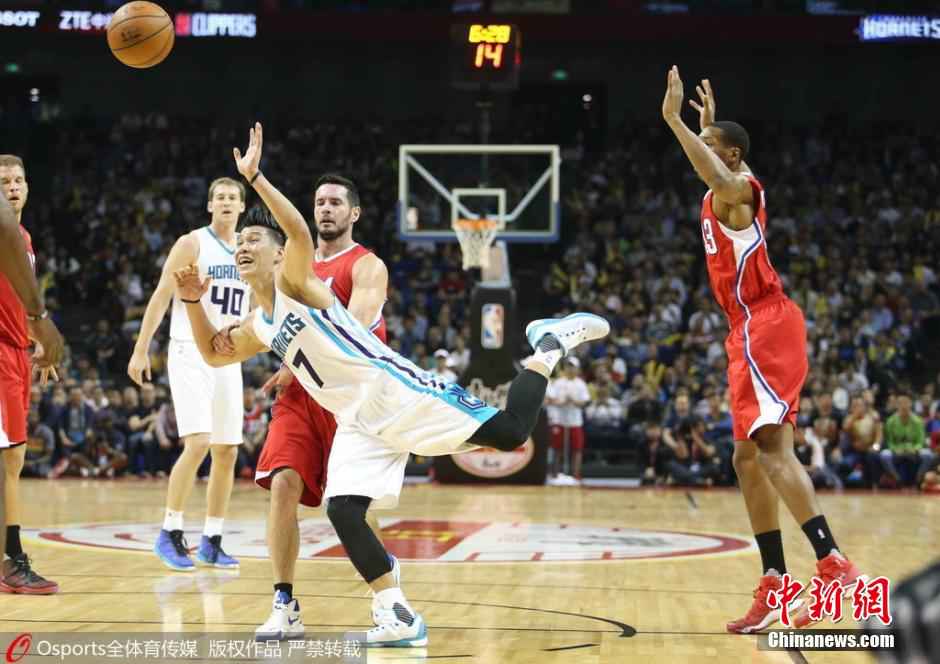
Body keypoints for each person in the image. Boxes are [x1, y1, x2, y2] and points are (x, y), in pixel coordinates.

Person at [175, 122, 610, 646]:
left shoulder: (296, 283)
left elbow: (299, 234)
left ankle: (548, 347)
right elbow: (214, 354)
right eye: (238, 242)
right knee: (343, 511)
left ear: (277, 255)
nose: (241, 247)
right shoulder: (259, 323)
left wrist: (257, 178)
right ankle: (397, 614)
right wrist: (195, 302)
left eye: (252, 240)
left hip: (397, 392)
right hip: (357, 419)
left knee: (513, 433)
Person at [662, 70, 863, 632]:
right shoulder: (719, 189)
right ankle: (775, 580)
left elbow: (722, 176)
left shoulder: (740, 195)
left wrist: (676, 123)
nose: (700, 155)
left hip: (764, 323)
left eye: (710, 148)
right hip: (747, 329)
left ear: (731, 154)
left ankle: (832, 561)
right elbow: (713, 168)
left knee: (773, 453)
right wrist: (706, 129)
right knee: (746, 458)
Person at [244, 173, 393, 640]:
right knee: (282, 484)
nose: (325, 208)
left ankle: (386, 594)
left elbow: (360, 329)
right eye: (319, 202)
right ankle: (283, 602)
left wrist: (303, 356)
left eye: (334, 203)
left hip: (351, 398)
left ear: (354, 214)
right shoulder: (286, 264)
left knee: (353, 509)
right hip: (300, 396)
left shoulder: (366, 265)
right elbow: (266, 319)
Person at [127, 177, 249, 571]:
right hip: (189, 350)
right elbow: (162, 294)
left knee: (227, 451)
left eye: (233, 197)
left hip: (229, 354)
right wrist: (141, 348)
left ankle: (212, 539)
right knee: (197, 443)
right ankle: (169, 532)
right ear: (209, 205)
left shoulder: (248, 250)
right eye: (220, 197)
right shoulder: (192, 243)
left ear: (243, 207)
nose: (226, 202)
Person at [0, 157, 65, 594]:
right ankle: (11, 559)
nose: (12, 186)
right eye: (3, 180)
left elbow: (15, 300)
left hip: (17, 350)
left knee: (13, 459)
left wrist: (33, 336)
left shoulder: (23, 238)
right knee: (9, 459)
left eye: (19, 179)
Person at [880, 392, 934, 488]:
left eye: (906, 403)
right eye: (901, 403)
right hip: (897, 450)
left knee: (928, 455)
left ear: (911, 404)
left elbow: (920, 441)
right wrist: (895, 449)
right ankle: (897, 479)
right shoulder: (890, 421)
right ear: (897, 405)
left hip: (913, 450)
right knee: (884, 455)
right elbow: (889, 441)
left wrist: (915, 449)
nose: (904, 406)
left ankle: (918, 479)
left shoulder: (918, 421)